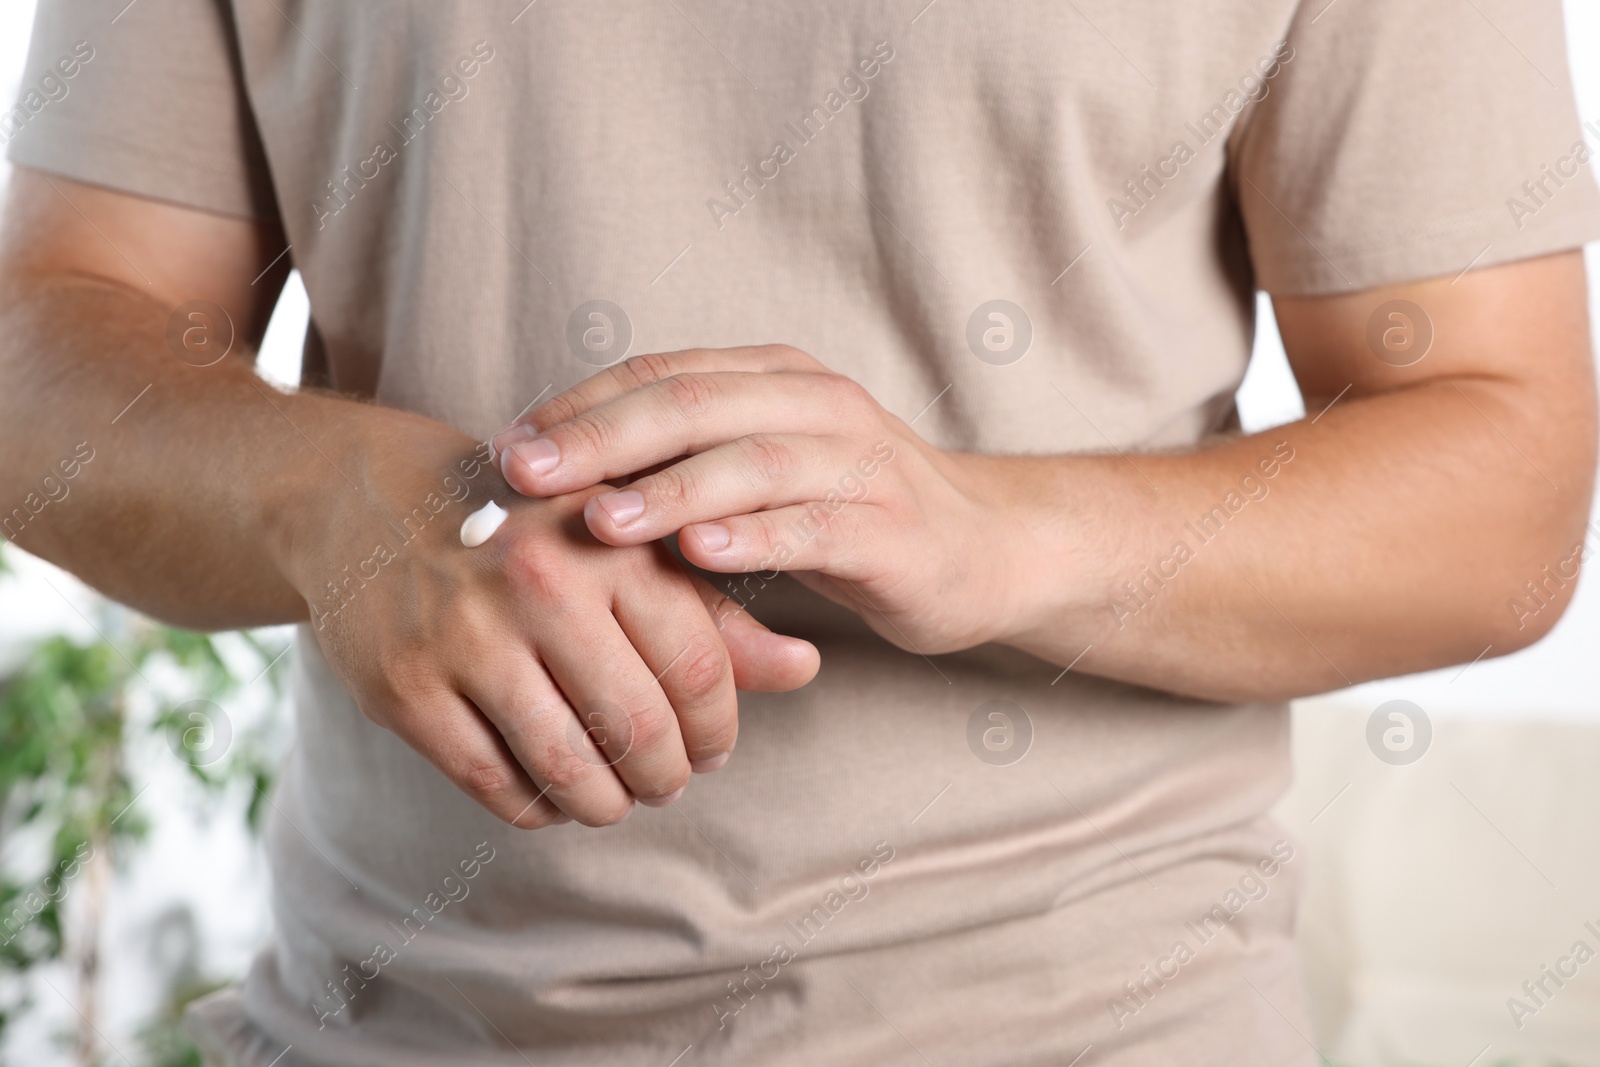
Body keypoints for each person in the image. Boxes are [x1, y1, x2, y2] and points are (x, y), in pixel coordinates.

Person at [1, 0, 1595, 1063]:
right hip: (379, 1022)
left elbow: (1511, 489)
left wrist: (993, 535)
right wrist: (325, 500)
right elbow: (48, 335)